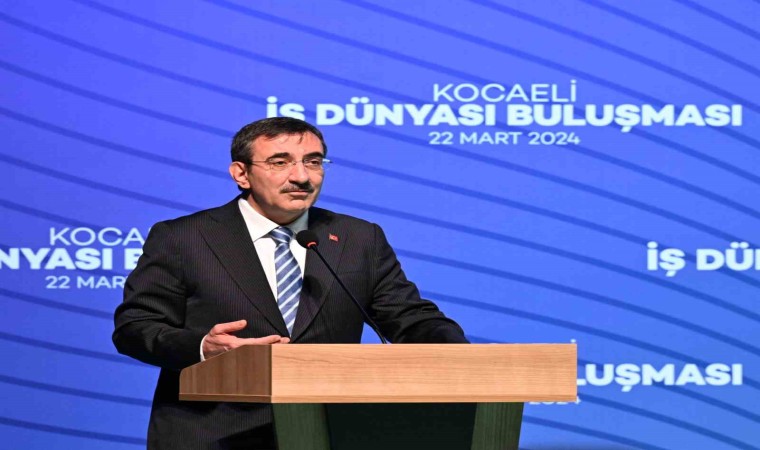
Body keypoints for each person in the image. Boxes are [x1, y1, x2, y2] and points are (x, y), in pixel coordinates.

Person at [113, 117, 468, 449]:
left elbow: (409, 317)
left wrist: (460, 354)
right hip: (214, 434)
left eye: (313, 162)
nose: (301, 176)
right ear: (241, 174)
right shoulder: (184, 237)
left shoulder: (358, 238)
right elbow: (136, 327)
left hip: (331, 432)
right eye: (280, 162)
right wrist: (205, 347)